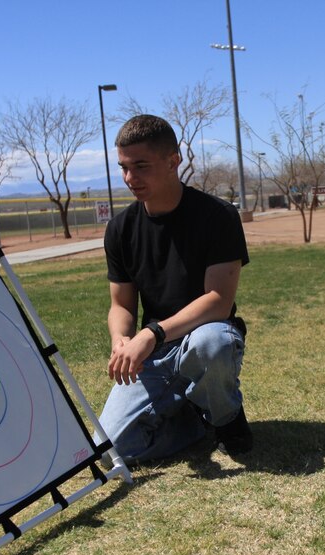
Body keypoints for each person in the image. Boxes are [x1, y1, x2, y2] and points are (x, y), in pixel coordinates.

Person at [100, 114, 252, 464]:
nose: (129, 178)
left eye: (140, 166)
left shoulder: (218, 216)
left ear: (173, 161)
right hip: (153, 351)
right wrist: (121, 340)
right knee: (111, 453)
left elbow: (218, 301)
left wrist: (151, 334)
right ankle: (194, 421)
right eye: (123, 167)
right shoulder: (120, 229)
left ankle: (225, 417)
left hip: (203, 335)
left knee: (212, 343)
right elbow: (121, 305)